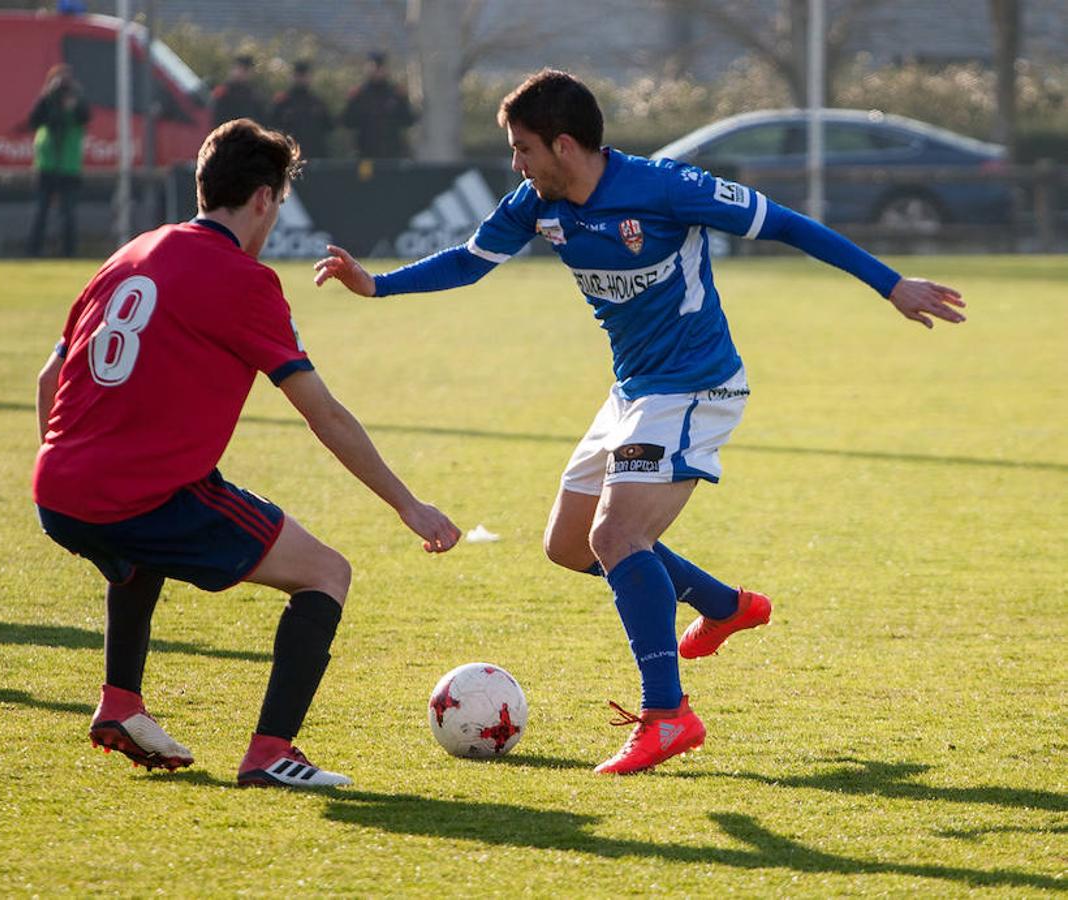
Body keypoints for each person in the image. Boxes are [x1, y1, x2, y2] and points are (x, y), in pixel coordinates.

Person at [314, 69, 966, 776]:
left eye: (524, 148)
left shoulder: (665, 188)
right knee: (569, 545)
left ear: (565, 145)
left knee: (618, 534)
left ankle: (668, 715)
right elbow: (471, 261)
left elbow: (785, 224)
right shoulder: (537, 202)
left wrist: (891, 283)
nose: (516, 163)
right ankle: (723, 606)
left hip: (695, 386)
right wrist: (376, 283)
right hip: (633, 392)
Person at [33, 119, 461, 789]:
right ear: (264, 199)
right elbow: (324, 414)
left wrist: (73, 475)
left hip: (55, 489)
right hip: (136, 494)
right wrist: (408, 505)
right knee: (326, 574)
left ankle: (122, 703)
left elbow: (47, 381)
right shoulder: (244, 280)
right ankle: (270, 752)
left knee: (141, 548)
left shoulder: (130, 252)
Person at [25, 64, 90, 258]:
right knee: (41, 210)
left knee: (68, 213)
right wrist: (47, 96)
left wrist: (75, 102)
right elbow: (34, 120)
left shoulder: (77, 100)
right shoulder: (47, 101)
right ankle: (33, 251)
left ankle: (68, 252)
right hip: (48, 164)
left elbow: (85, 116)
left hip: (68, 165)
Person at [341, 52, 416, 159]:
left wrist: (403, 101)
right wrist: (351, 103)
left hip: (392, 153)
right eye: (373, 67)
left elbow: (408, 121)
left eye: (380, 67)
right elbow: (348, 122)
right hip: (366, 153)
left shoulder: (395, 93)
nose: (377, 71)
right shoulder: (359, 94)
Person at [269, 60, 334, 159]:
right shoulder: (283, 102)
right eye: (298, 76)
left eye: (304, 76)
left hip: (314, 155)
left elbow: (329, 126)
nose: (301, 79)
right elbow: (271, 125)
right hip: (290, 155)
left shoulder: (316, 103)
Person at [212, 54, 265, 127]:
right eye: (239, 68)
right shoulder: (223, 91)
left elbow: (261, 121)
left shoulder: (254, 96)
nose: (241, 72)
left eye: (245, 70)